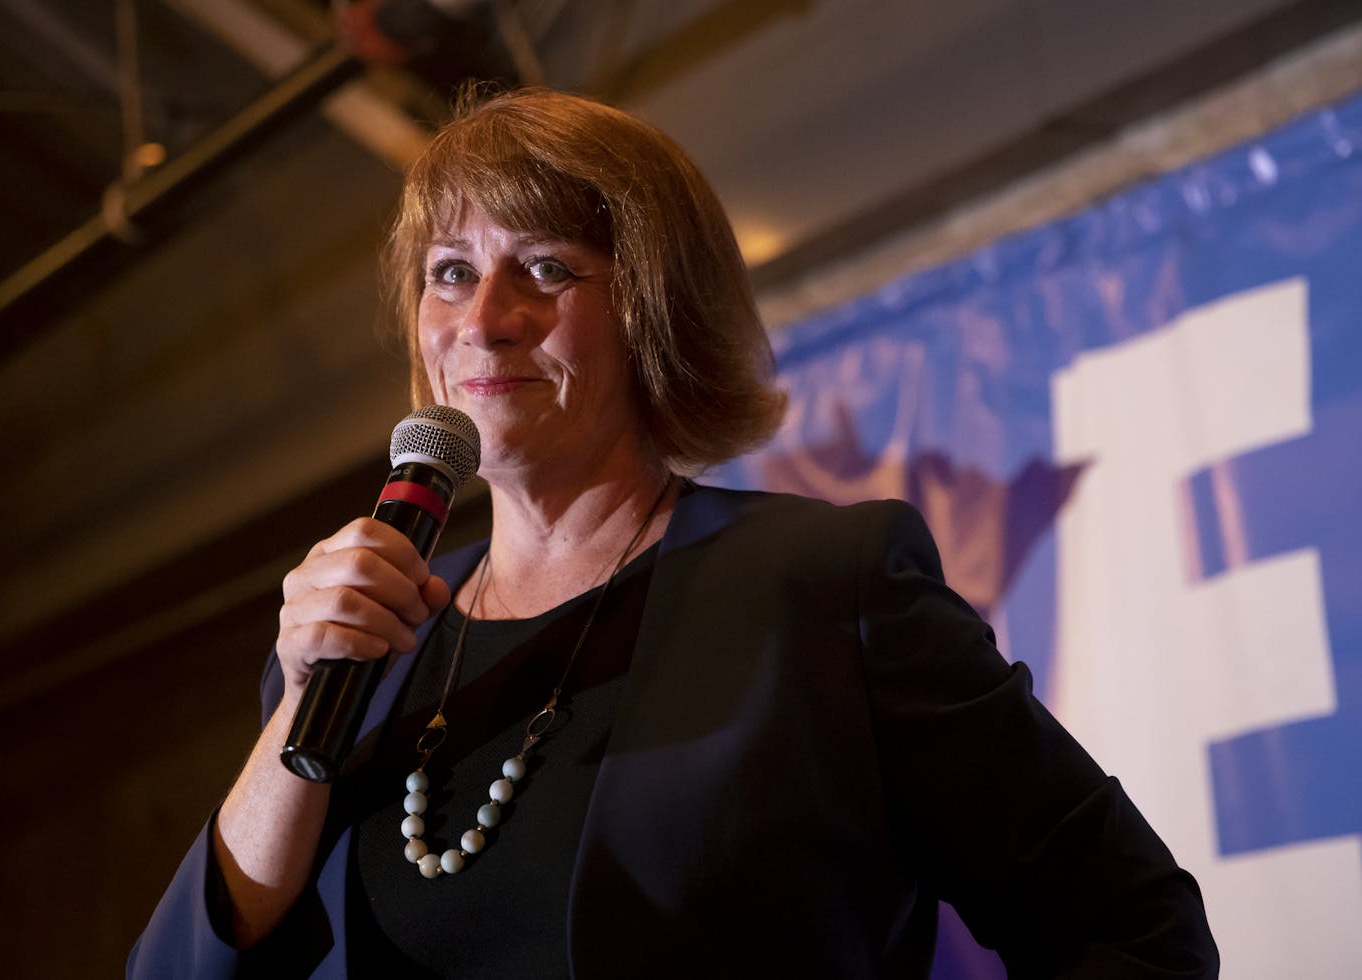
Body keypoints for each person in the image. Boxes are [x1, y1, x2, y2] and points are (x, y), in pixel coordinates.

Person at [129, 87, 1219, 978]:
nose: (482, 317)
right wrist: (298, 698)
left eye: (546, 268)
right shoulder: (368, 626)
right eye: (450, 272)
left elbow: (1131, 930)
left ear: (650, 307)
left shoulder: (822, 586)